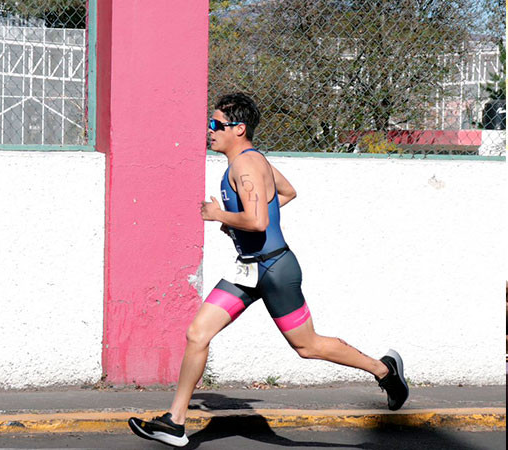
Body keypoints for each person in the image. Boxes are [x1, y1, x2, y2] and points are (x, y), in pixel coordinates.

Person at [128, 93, 408, 447]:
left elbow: (258, 222)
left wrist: (222, 217)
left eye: (216, 125)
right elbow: (286, 192)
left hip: (275, 269)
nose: (210, 131)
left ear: (239, 129)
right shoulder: (250, 162)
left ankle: (384, 371)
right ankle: (175, 422)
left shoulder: (245, 166)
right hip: (248, 270)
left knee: (307, 346)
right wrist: (239, 225)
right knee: (198, 333)